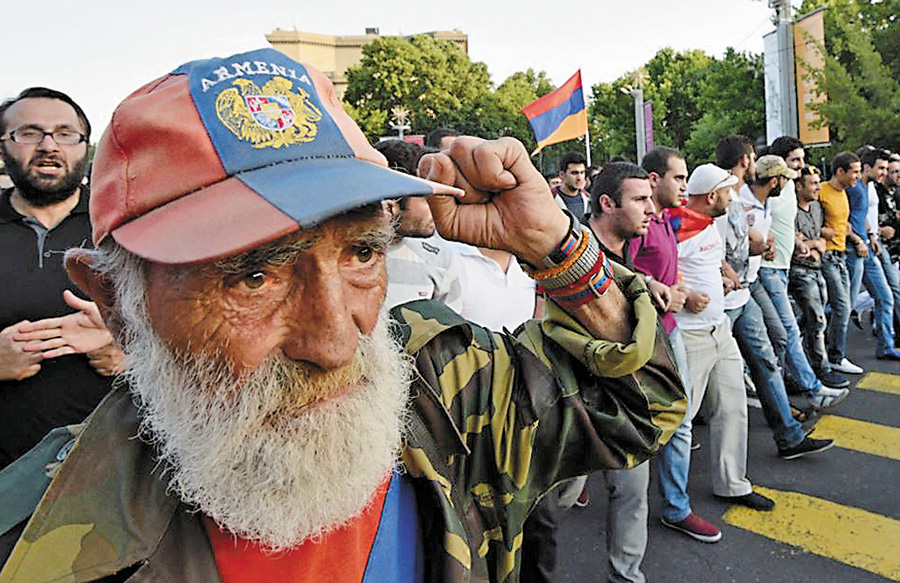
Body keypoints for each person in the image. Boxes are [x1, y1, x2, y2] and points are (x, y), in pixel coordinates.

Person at [0, 49, 685, 582]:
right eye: (254, 274)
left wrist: (558, 249)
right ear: (118, 304)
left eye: (361, 250)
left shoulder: (439, 378)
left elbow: (639, 403)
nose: (335, 341)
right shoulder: (36, 540)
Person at [0, 87, 122, 469]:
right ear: (3, 145)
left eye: (65, 133)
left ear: (86, 147)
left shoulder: (125, 226)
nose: (48, 145)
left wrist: (128, 352)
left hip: (110, 472)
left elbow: (187, 335)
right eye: (29, 133)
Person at [669, 163, 774, 511]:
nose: (733, 196)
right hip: (691, 336)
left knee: (733, 407)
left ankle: (732, 484)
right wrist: (684, 292)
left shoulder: (709, 224)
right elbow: (660, 269)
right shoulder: (676, 226)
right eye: (728, 191)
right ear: (712, 196)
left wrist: (726, 274)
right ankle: (674, 502)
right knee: (681, 421)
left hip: (720, 331)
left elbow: (714, 260)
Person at [633, 147, 722, 543]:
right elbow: (623, 272)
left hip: (670, 331)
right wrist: (665, 290)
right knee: (629, 421)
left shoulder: (668, 217)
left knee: (681, 418)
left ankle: (675, 507)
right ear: (654, 180)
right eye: (679, 178)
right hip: (641, 339)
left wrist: (677, 285)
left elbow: (669, 263)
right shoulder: (639, 221)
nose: (685, 186)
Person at [586, 161, 669, 582]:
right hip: (576, 400)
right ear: (607, 203)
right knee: (551, 504)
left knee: (634, 491)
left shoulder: (627, 247)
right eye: (640, 200)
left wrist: (645, 283)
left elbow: (621, 277)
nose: (651, 209)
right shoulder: (573, 251)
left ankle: (626, 577)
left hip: (624, 399)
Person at [723, 155, 837, 458]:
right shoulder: (736, 199)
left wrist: (767, 243)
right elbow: (727, 244)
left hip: (746, 292)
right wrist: (755, 246)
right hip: (724, 299)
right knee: (706, 388)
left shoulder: (761, 203)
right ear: (776, 181)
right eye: (786, 177)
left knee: (769, 356)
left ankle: (789, 435)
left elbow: (758, 239)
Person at [759, 137, 849, 390]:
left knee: (785, 329)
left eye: (801, 159)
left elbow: (786, 225)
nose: (801, 164)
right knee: (790, 327)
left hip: (785, 267)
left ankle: (791, 377)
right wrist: (770, 239)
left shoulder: (787, 187)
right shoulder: (770, 188)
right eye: (795, 160)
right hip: (770, 268)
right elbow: (757, 218)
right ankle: (814, 383)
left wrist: (799, 243)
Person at [375, 139, 464, 312]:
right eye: (428, 199)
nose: (438, 210)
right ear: (391, 204)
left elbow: (453, 333)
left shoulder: (439, 260)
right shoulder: (339, 260)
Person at [844, 148, 900, 360]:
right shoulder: (854, 188)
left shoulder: (868, 188)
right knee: (844, 305)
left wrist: (871, 236)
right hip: (854, 250)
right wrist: (858, 241)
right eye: (881, 168)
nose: (884, 173)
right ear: (868, 167)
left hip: (868, 247)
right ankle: (831, 353)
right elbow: (844, 218)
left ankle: (886, 346)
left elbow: (862, 216)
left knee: (885, 297)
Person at [818, 152, 866, 373]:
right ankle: (837, 356)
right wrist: (820, 232)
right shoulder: (822, 191)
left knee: (835, 307)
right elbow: (806, 220)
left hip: (841, 254)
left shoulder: (844, 193)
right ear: (840, 171)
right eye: (854, 171)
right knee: (842, 306)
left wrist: (856, 239)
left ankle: (806, 336)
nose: (858, 175)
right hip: (826, 256)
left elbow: (843, 225)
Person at [790, 166, 836, 383]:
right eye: (813, 183)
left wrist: (816, 241)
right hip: (799, 271)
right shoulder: (791, 211)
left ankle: (799, 352)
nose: (818, 187)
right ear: (799, 186)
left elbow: (817, 237)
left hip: (817, 269)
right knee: (817, 319)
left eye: (819, 182)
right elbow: (791, 243)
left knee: (813, 318)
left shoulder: (817, 208)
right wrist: (813, 243)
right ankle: (821, 367)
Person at [552, 151, 590, 221]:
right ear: (562, 174)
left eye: (582, 172)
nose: (579, 177)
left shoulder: (589, 199)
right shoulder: (551, 199)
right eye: (574, 173)